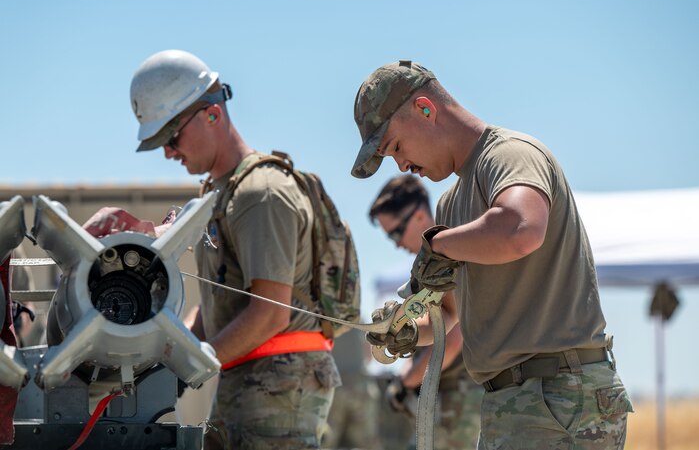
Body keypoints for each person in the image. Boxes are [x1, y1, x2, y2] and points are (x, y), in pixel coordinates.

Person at [350, 60, 633, 449]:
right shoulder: (450, 206)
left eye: (396, 146)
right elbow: (452, 314)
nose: (402, 165)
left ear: (425, 109)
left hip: (558, 395)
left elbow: (520, 229)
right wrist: (408, 332)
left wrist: (440, 245)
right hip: (512, 402)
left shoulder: (510, 155)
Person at [129, 50, 341, 450]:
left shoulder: (261, 194)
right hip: (251, 378)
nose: (168, 153)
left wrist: (187, 367)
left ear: (212, 114)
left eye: (172, 136)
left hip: (278, 388)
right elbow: (218, 305)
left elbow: (268, 313)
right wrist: (162, 359)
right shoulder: (223, 195)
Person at [369, 175, 482, 450]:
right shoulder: (428, 269)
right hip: (445, 399)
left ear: (419, 216)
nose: (395, 243)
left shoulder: (447, 258)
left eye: (395, 232)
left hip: (457, 401)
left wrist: (404, 381)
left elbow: (452, 340)